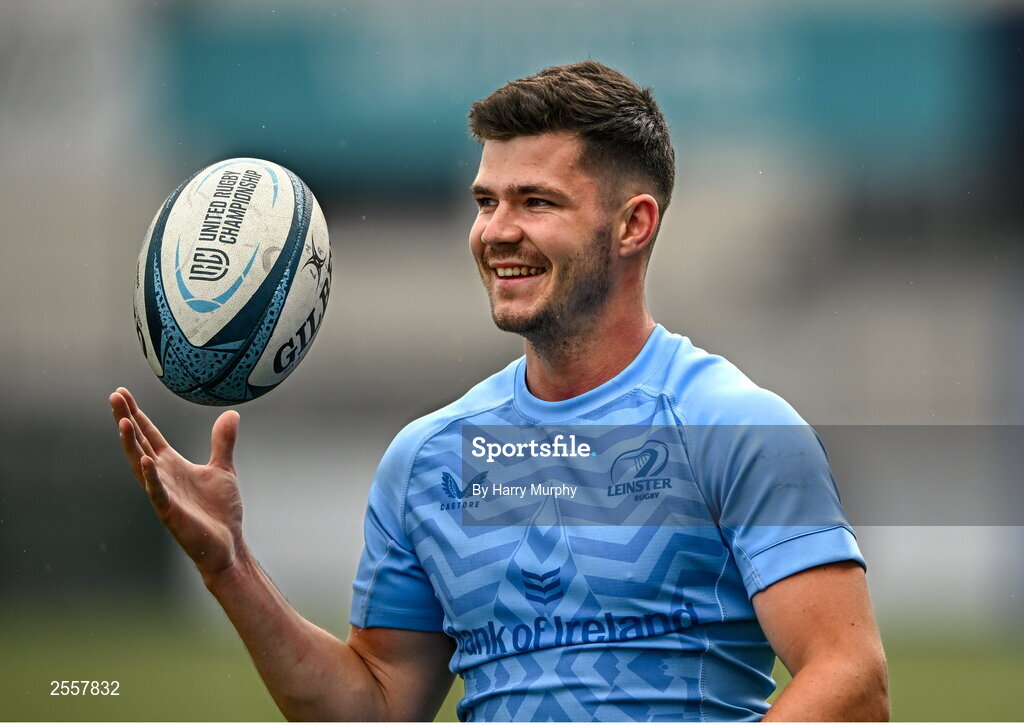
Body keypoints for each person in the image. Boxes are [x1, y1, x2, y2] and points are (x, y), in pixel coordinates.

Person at [111, 61, 888, 721]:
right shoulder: (428, 457)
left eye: (535, 202)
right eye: (486, 202)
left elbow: (849, 678)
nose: (496, 231)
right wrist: (231, 567)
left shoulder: (736, 427)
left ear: (634, 224)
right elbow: (378, 702)